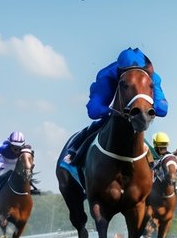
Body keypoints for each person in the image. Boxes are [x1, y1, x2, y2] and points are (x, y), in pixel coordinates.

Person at [60, 48, 168, 176]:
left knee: (140, 134)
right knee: (99, 123)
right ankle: (74, 154)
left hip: (137, 115)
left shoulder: (153, 78)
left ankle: (156, 165)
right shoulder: (108, 75)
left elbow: (162, 109)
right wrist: (114, 110)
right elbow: (93, 111)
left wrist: (146, 107)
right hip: (114, 112)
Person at [0, 131, 37, 201]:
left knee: (24, 173)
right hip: (4, 163)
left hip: (16, 164)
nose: (17, 150)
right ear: (10, 144)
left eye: (19, 148)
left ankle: (30, 186)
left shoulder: (25, 148)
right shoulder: (3, 148)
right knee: (1, 176)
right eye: (15, 148)